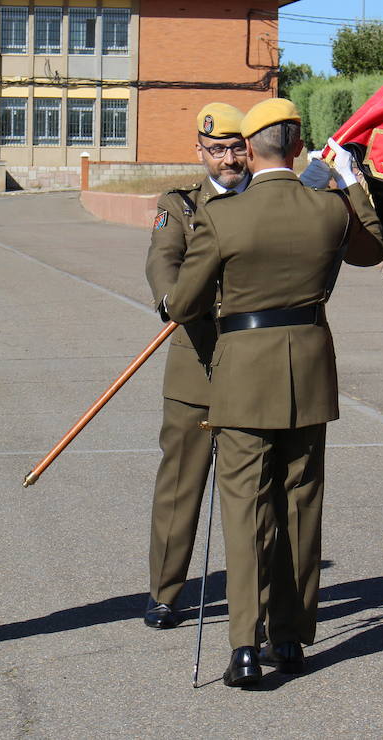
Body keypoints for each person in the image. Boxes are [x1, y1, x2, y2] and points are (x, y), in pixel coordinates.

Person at [165, 98, 383, 687]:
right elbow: (373, 249)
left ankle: (244, 643)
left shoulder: (223, 215)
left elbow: (183, 304)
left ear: (250, 146)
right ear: (295, 146)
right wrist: (349, 180)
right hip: (308, 366)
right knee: (300, 502)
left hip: (242, 372)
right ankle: (290, 637)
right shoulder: (329, 208)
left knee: (244, 508)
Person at [142, 103, 249, 630]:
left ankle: (257, 596)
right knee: (181, 482)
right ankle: (165, 590)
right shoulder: (181, 204)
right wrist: (172, 300)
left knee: (251, 488)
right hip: (196, 363)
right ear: (200, 151)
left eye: (236, 147)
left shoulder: (268, 197)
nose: (228, 159)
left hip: (254, 365)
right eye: (217, 149)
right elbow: (164, 258)